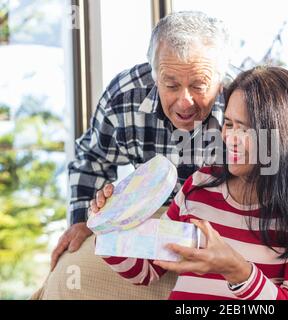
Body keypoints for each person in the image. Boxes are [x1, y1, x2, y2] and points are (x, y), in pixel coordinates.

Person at [97, 66, 288, 300]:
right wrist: (109, 225)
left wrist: (237, 270)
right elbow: (148, 270)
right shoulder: (201, 185)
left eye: (245, 130)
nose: (230, 138)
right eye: (229, 124)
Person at [50, 11, 232, 270]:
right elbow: (91, 161)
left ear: (220, 80)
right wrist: (81, 221)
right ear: (155, 74)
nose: (184, 102)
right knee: (70, 269)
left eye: (199, 85)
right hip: (151, 222)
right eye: (170, 85)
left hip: (223, 226)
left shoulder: (244, 99)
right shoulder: (125, 95)